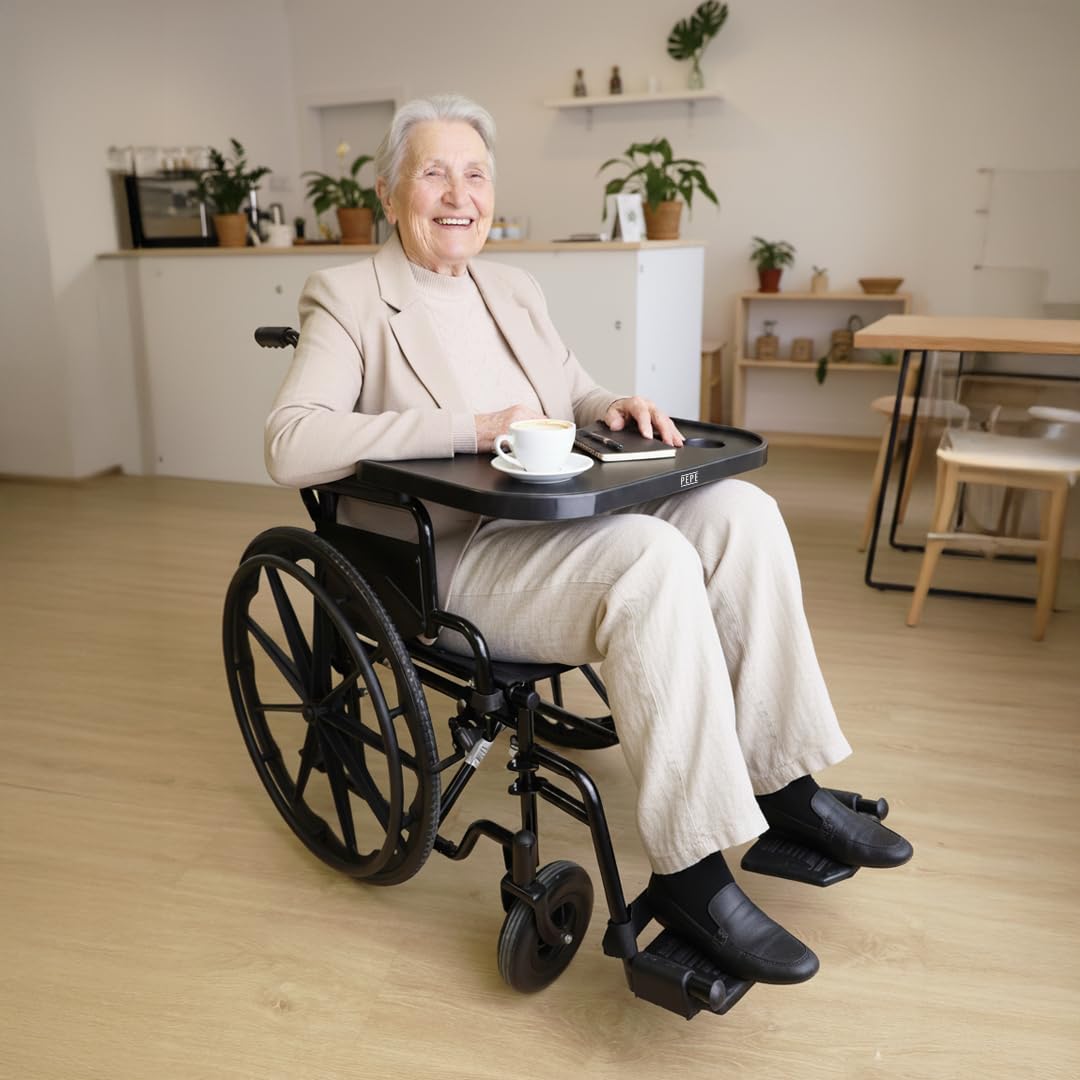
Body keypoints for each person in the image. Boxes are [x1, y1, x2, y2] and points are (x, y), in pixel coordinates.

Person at [265, 93, 912, 987]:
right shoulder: (349, 297)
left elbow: (565, 390)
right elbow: (291, 438)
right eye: (435, 171)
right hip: (457, 553)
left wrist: (608, 405)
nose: (461, 193)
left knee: (740, 515)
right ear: (387, 190)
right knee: (652, 563)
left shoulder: (512, 286)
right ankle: (689, 874)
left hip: (563, 517)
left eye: (477, 173)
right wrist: (465, 425)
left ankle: (784, 784)